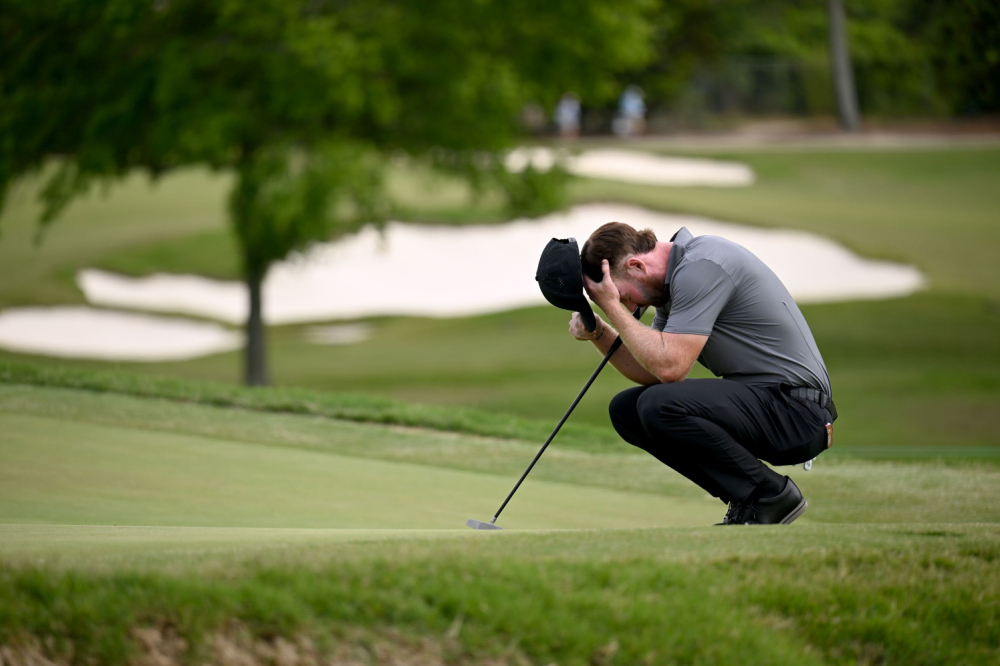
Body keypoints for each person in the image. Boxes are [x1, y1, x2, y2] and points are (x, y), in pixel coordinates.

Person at [573, 222, 836, 525]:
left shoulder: (702, 266)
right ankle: (750, 501)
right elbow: (654, 370)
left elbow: (670, 368)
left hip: (797, 411)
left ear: (636, 265)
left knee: (659, 405)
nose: (629, 306)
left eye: (622, 296)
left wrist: (610, 308)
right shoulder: (673, 286)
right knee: (626, 410)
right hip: (769, 405)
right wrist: (598, 333)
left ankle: (770, 494)